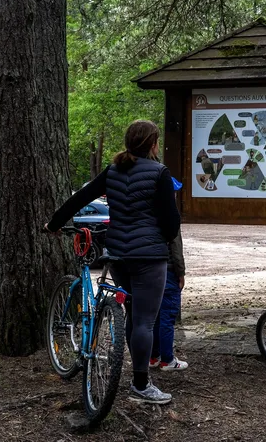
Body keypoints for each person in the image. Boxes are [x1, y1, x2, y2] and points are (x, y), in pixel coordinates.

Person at [45, 119, 180, 404]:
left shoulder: (113, 171)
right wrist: (162, 239)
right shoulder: (160, 173)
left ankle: (129, 369)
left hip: (118, 254)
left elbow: (79, 197)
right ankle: (141, 385)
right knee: (144, 321)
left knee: (132, 314)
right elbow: (171, 223)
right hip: (149, 257)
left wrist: (55, 223)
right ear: (153, 144)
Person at [150, 177, 188, 371]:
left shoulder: (151, 214)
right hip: (169, 272)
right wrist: (181, 273)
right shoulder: (171, 216)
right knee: (167, 317)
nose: (175, 195)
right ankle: (167, 359)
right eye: (173, 192)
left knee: (155, 316)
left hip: (151, 271)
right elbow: (176, 248)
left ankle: (153, 356)